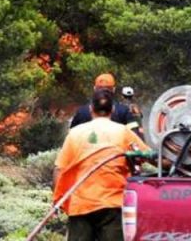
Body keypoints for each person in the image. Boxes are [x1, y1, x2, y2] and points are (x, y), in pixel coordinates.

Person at [54, 88, 151, 241]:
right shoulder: (123, 132)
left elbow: (60, 168)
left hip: (80, 203)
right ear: (112, 109)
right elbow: (147, 155)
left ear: (91, 108)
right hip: (111, 204)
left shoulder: (75, 133)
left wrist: (58, 200)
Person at [70, 73, 142, 138]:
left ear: (95, 89)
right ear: (113, 89)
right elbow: (135, 137)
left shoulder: (82, 112)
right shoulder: (124, 111)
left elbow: (71, 136)